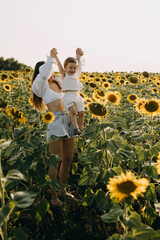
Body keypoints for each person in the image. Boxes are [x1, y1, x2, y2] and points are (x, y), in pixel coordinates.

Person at [31, 48, 76, 206]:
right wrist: (50, 58)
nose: (50, 72)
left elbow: (69, 75)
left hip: (69, 121)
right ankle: (53, 196)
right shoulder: (41, 85)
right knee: (54, 161)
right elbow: (44, 74)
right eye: (47, 69)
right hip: (56, 122)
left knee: (68, 159)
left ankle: (63, 190)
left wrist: (58, 58)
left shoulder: (58, 81)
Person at [53, 48, 84, 135]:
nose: (72, 70)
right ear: (65, 67)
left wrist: (78, 55)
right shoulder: (64, 75)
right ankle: (75, 128)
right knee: (73, 112)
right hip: (68, 95)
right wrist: (55, 56)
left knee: (81, 113)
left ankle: (81, 129)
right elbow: (59, 65)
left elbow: (78, 62)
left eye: (74, 68)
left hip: (77, 95)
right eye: (70, 68)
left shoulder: (76, 74)